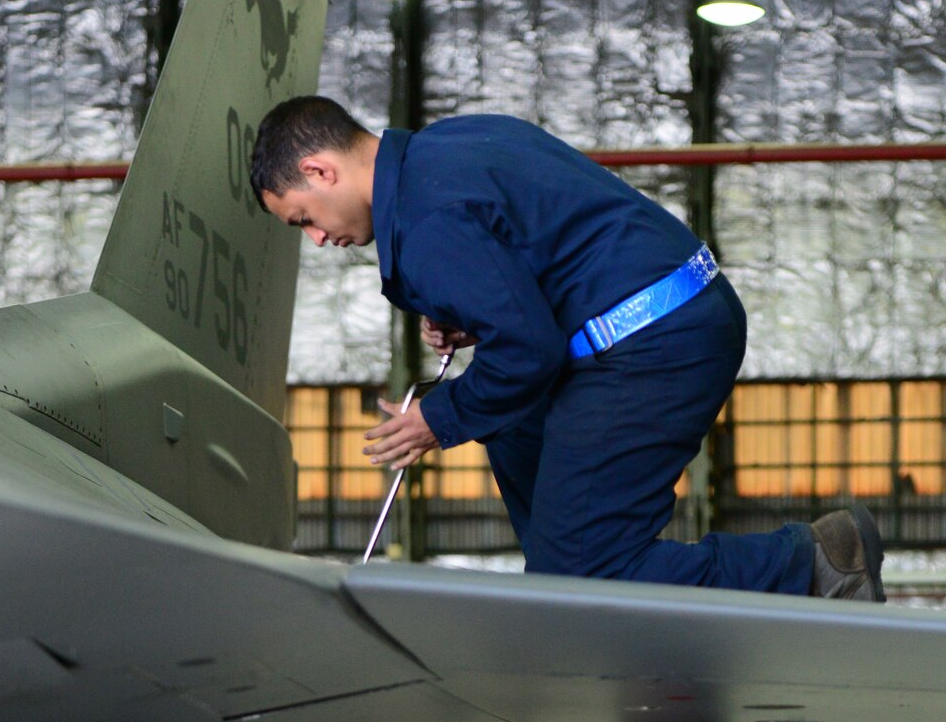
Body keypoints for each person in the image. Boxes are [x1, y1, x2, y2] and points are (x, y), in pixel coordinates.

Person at [250, 97, 884, 599]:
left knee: (587, 574)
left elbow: (528, 354)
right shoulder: (450, 145)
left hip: (652, 341)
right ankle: (569, 597)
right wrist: (475, 316)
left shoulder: (427, 219)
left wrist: (434, 420)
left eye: (303, 219)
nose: (316, 239)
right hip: (663, 315)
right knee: (527, 467)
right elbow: (544, 260)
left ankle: (814, 561)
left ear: (319, 171)